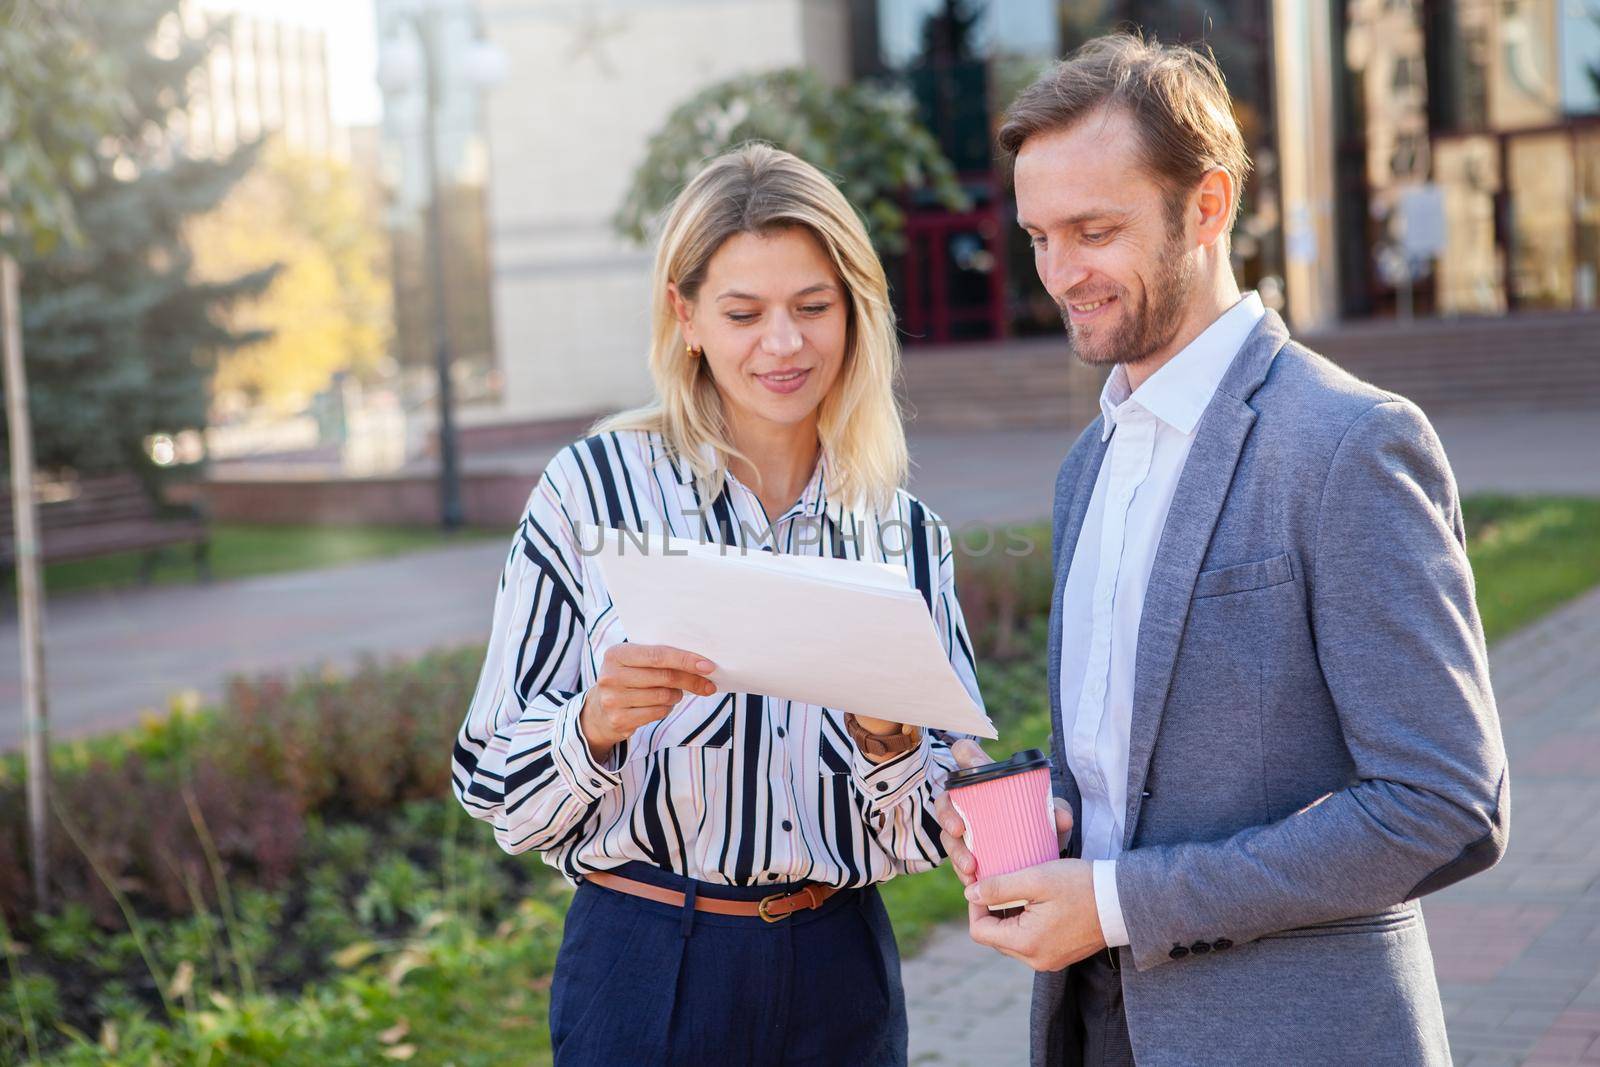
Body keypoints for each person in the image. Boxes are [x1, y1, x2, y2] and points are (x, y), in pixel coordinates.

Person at [934, 34, 1508, 1067]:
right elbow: (1132, 768)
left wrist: (1113, 899)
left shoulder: (1348, 442)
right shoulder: (1086, 463)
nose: (1059, 274)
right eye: (1036, 238)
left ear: (1206, 207)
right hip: (1093, 1024)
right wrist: (1049, 826)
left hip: (1287, 1031)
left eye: (1093, 230)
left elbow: (1444, 802)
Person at [451, 142, 983, 1066]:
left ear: (854, 313)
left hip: (841, 970)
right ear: (685, 314)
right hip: (648, 965)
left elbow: (931, 830)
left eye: (814, 307)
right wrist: (594, 725)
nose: (784, 344)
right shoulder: (592, 495)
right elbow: (492, 781)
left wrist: (893, 746)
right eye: (744, 313)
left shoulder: (901, 534)